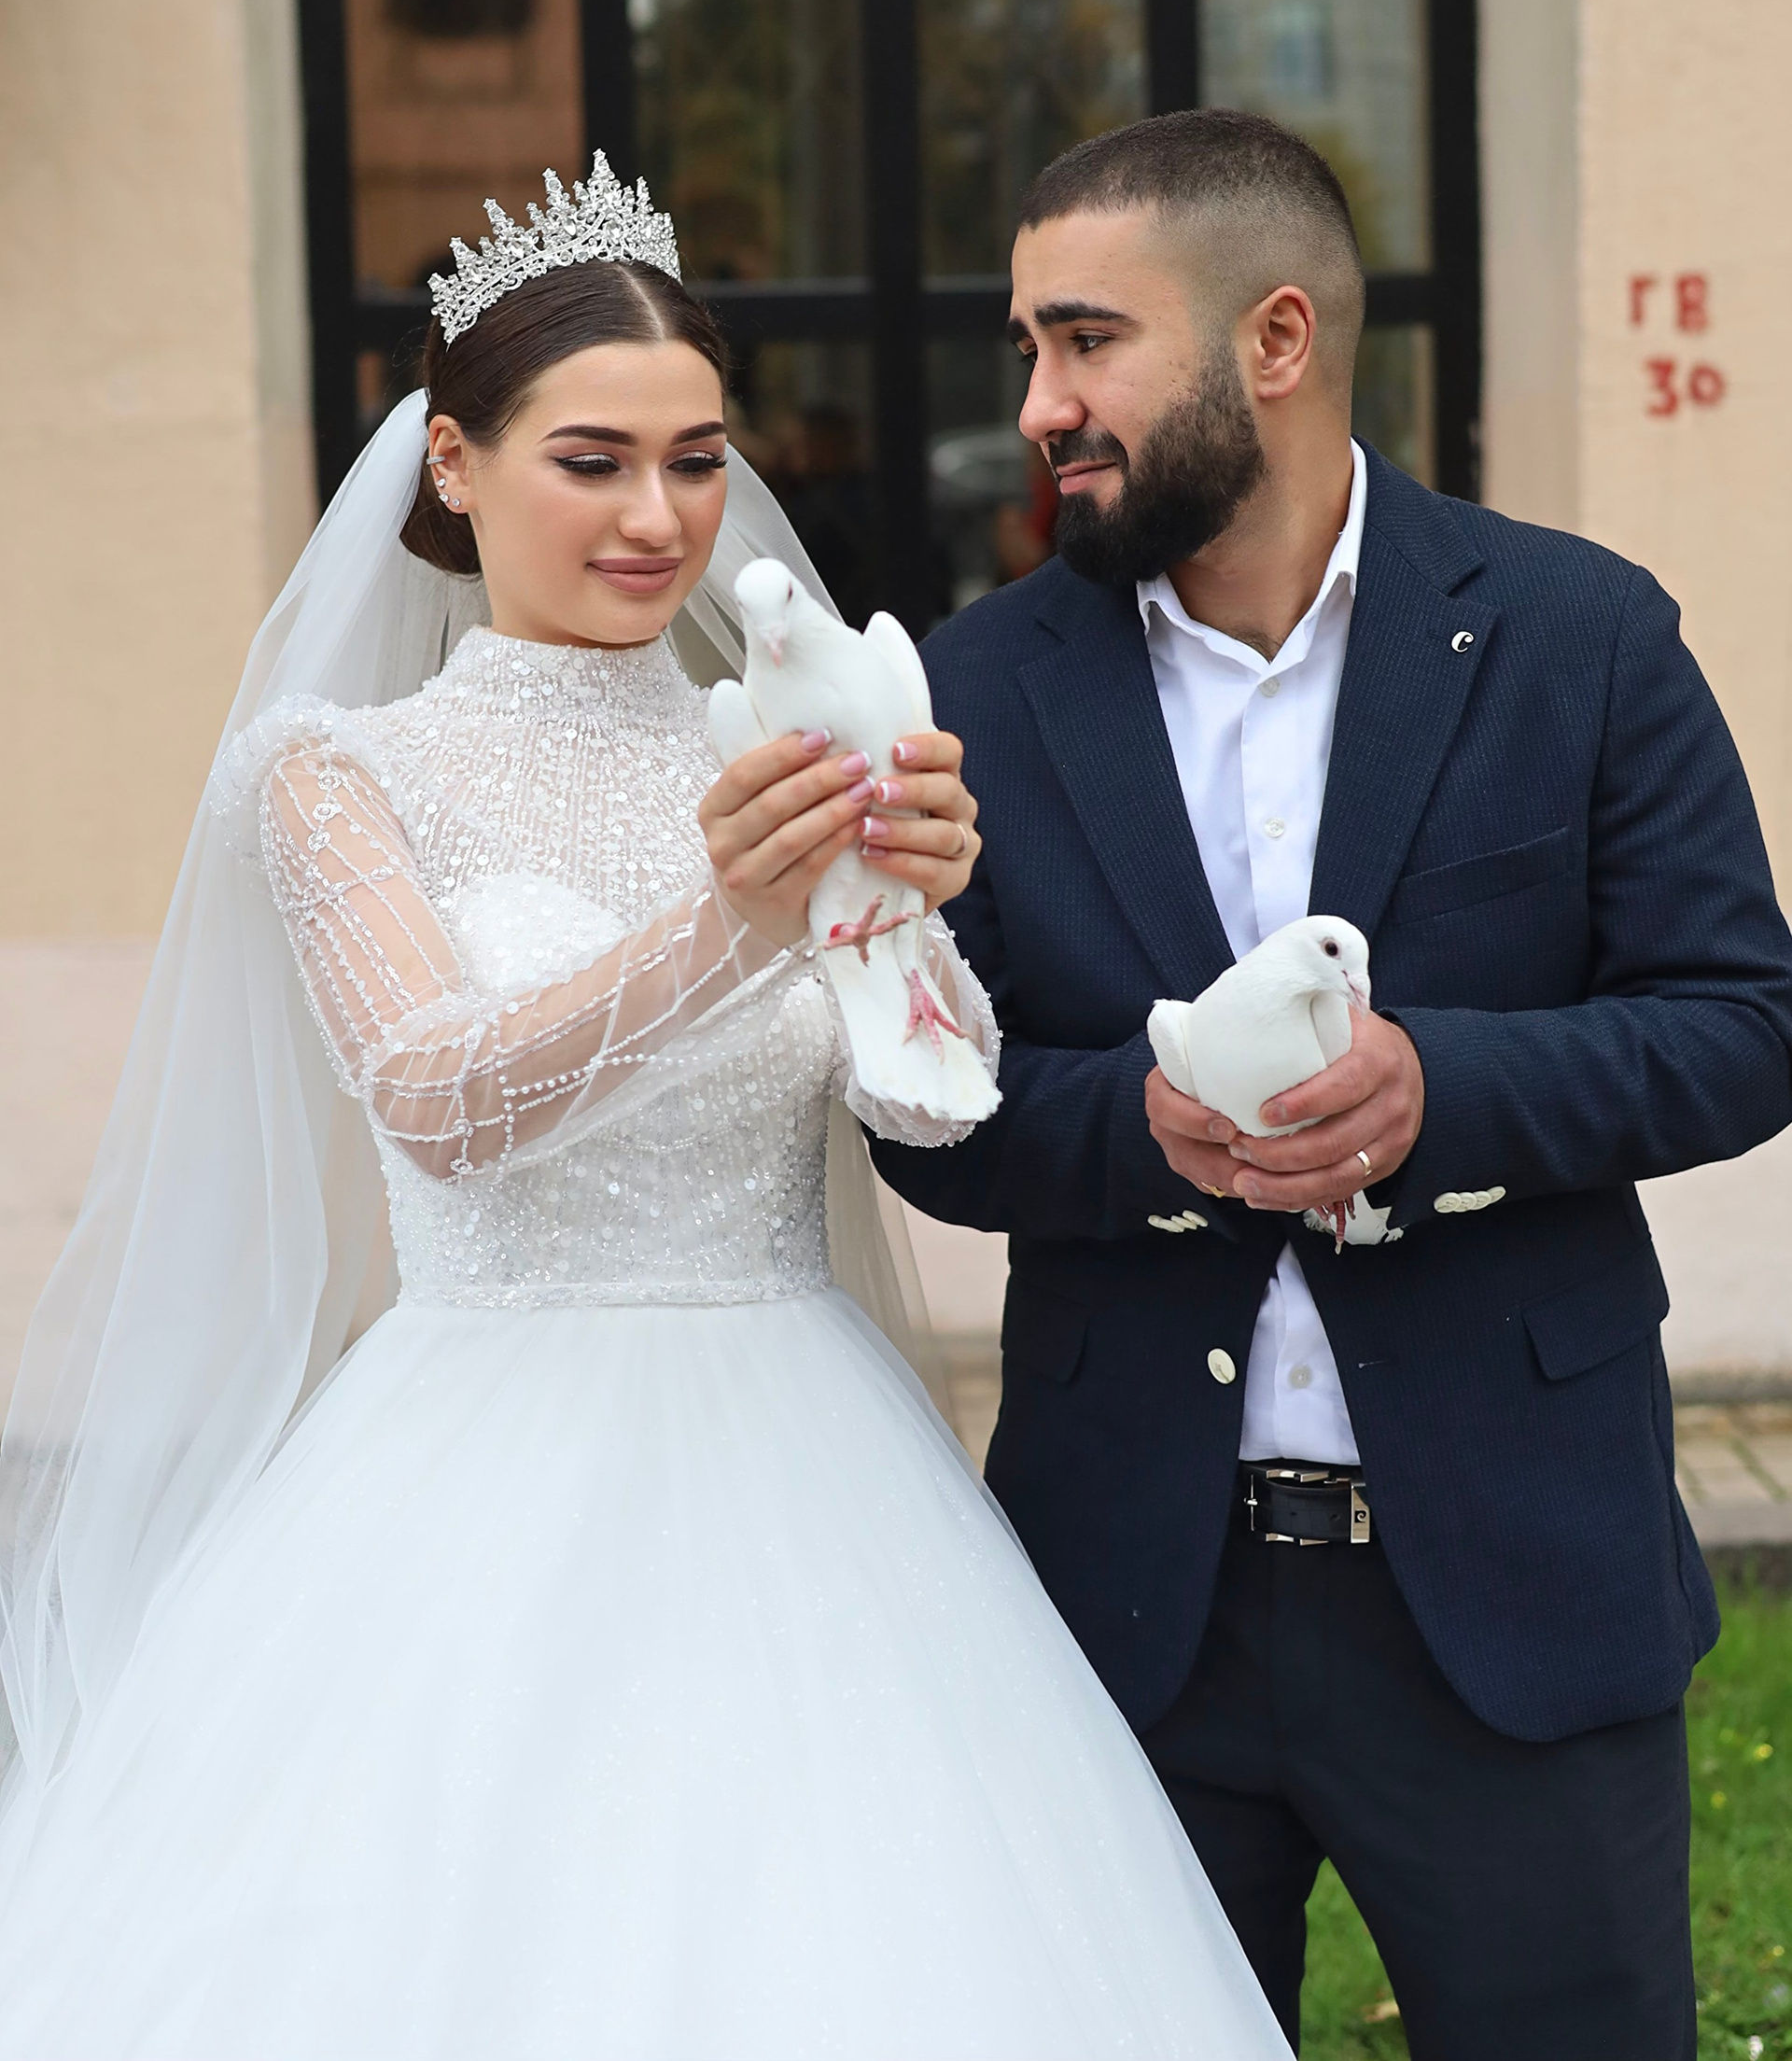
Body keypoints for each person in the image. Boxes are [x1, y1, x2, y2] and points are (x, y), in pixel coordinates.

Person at [0, 156, 1289, 2060]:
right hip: (476, 1461)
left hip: (808, 1448)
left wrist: (906, 919)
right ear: (454, 464)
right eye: (592, 461)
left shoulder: (785, 744)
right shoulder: (339, 772)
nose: (658, 515)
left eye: (695, 460)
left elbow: (934, 1116)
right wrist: (735, 922)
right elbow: (434, 1093)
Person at [872, 107, 1792, 2060]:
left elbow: (1741, 1020)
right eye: (1029, 347)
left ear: (1275, 339)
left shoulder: (1580, 633)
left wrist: (1438, 1091)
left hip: (1518, 1579)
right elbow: (931, 1108)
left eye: (1086, 341)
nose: (1038, 406)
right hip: (1128, 1601)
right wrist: (1135, 1127)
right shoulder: (976, 687)